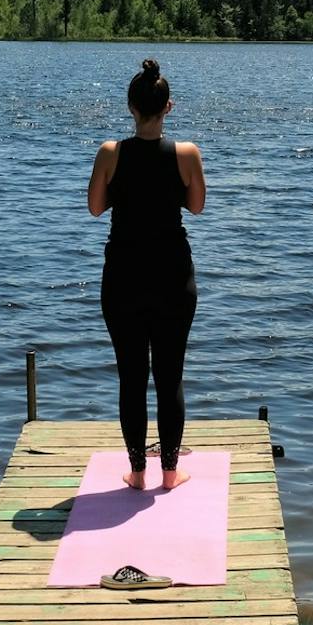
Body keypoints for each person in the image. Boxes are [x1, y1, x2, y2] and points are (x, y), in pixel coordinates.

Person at [86, 57, 206, 491]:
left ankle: (137, 472)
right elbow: (196, 206)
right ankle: (170, 474)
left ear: (130, 107)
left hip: (123, 278)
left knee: (132, 376)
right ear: (168, 108)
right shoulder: (187, 153)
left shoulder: (110, 153)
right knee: (170, 374)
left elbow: (96, 208)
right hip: (174, 276)